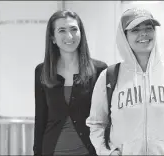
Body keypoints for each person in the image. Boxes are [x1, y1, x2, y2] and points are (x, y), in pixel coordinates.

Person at [86, 8, 164, 155]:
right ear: (124, 36)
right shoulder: (108, 77)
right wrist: (105, 152)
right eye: (135, 30)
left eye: (149, 28)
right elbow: (96, 124)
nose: (144, 34)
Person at [33, 10, 107, 156]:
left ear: (81, 33)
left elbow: (105, 119)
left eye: (74, 29)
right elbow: (40, 118)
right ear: (53, 38)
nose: (69, 36)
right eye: (62, 30)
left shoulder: (99, 70)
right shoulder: (42, 71)